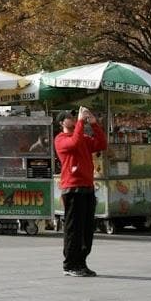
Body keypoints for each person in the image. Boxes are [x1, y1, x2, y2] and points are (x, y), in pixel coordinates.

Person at [55, 106, 107, 277]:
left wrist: (94, 124)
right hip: (72, 188)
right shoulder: (60, 139)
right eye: (69, 117)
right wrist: (80, 122)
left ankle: (81, 262)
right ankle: (70, 264)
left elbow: (101, 144)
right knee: (74, 229)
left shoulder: (82, 137)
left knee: (86, 229)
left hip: (87, 186)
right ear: (62, 122)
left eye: (74, 116)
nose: (73, 118)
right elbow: (74, 143)